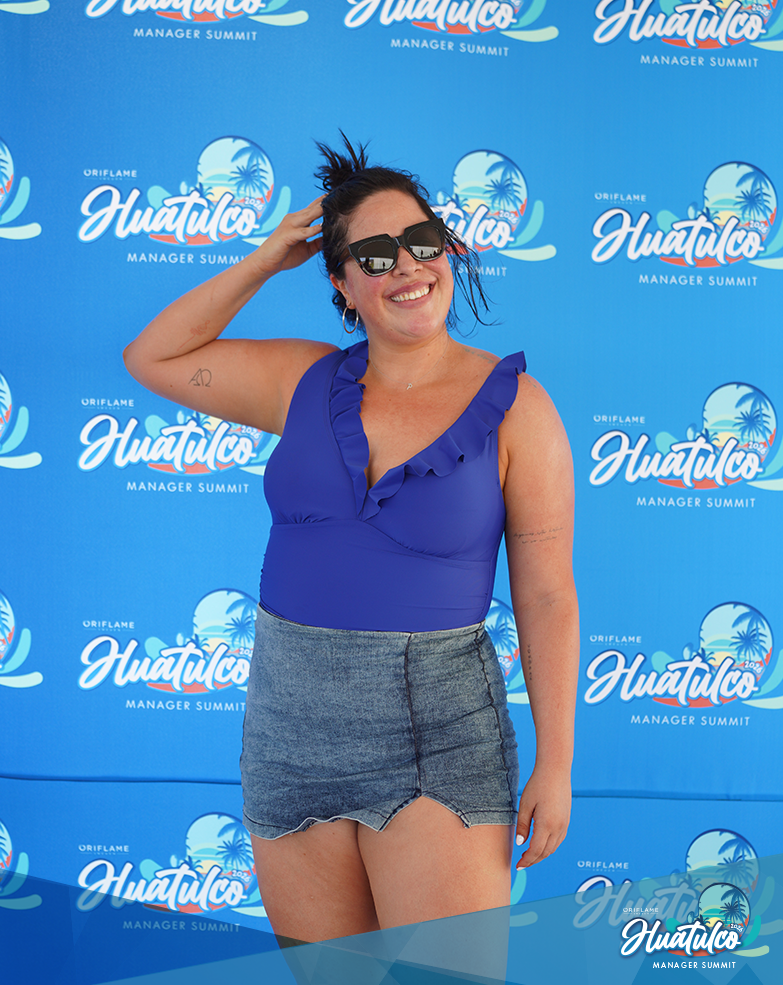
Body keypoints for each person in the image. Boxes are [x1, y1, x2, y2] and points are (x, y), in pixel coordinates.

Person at [123, 137, 579, 956]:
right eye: (373, 255)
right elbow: (153, 356)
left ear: (450, 249)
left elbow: (546, 594)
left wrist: (557, 762)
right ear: (341, 283)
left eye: (422, 240)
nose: (406, 265)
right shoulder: (302, 382)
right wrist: (265, 260)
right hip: (288, 733)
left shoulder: (520, 408)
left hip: (439, 734)